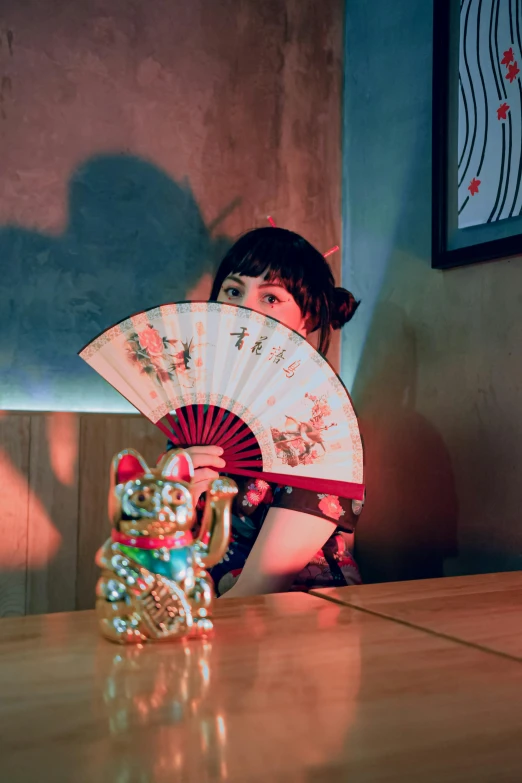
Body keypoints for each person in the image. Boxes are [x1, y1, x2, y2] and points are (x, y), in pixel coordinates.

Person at [164, 226, 362, 598]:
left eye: (270, 298)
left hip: (300, 608)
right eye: (234, 291)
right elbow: (161, 543)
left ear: (308, 318)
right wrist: (180, 501)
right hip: (200, 597)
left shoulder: (320, 413)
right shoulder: (199, 406)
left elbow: (260, 587)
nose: (243, 309)